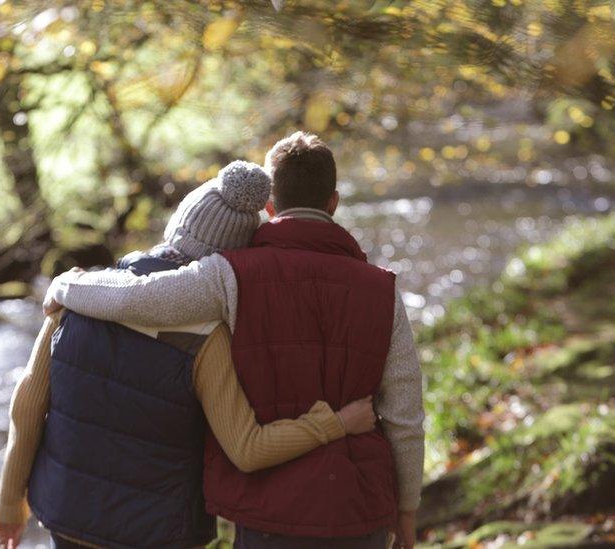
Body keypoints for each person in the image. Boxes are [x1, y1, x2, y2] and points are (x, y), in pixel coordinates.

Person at [44, 132, 426, 548]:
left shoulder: (229, 275)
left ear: (269, 206)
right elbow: (405, 417)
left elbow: (142, 298)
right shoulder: (383, 291)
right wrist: (406, 510)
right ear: (333, 202)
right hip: (359, 508)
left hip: (269, 509)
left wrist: (68, 286)